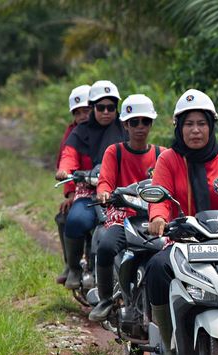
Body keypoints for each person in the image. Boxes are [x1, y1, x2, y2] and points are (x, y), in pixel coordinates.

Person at [145, 89, 218, 355]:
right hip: (184, 240)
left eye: (201, 123)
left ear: (211, 126)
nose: (195, 130)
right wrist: (158, 217)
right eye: (188, 124)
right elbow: (160, 197)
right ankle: (171, 349)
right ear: (178, 127)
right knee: (156, 269)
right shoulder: (168, 159)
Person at [88, 94, 163, 321]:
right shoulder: (115, 151)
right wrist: (104, 192)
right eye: (134, 122)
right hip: (123, 216)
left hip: (154, 217)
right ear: (125, 125)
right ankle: (105, 299)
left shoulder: (162, 154)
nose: (140, 127)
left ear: (151, 124)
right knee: (106, 246)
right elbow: (105, 180)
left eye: (145, 121)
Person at [57, 80, 125, 290]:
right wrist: (65, 170)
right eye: (100, 107)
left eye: (111, 107)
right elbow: (69, 155)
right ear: (93, 108)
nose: (106, 112)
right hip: (88, 192)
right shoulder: (79, 132)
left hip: (117, 193)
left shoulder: (126, 129)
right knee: (76, 220)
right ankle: (75, 267)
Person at [54, 84, 91, 285]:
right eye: (78, 113)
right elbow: (66, 161)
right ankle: (72, 264)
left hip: (105, 188)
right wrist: (70, 194)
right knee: (64, 217)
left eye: (86, 111)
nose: (83, 116)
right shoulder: (72, 134)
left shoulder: (105, 130)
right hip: (80, 188)